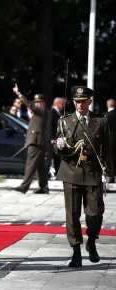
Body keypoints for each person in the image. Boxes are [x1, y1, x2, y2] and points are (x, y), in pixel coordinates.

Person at [55, 86, 111, 268]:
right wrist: (60, 145)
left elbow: (108, 149)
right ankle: (76, 251)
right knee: (72, 214)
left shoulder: (101, 121)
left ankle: (92, 241)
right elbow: (58, 149)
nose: (79, 104)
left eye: (83, 101)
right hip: (71, 172)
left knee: (95, 213)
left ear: (89, 102)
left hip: (93, 172)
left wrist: (108, 171)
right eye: (76, 101)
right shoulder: (65, 121)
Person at [12, 83, 49, 194]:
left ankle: (24, 186)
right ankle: (44, 187)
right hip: (36, 141)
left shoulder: (42, 111)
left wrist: (18, 93)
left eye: (39, 102)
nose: (37, 104)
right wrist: (28, 141)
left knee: (30, 164)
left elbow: (29, 105)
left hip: (36, 142)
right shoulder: (38, 112)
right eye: (36, 102)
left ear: (43, 103)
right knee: (40, 166)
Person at [106, 98, 116, 181]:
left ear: (107, 105)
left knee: (110, 158)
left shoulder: (107, 116)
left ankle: (111, 175)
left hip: (110, 139)